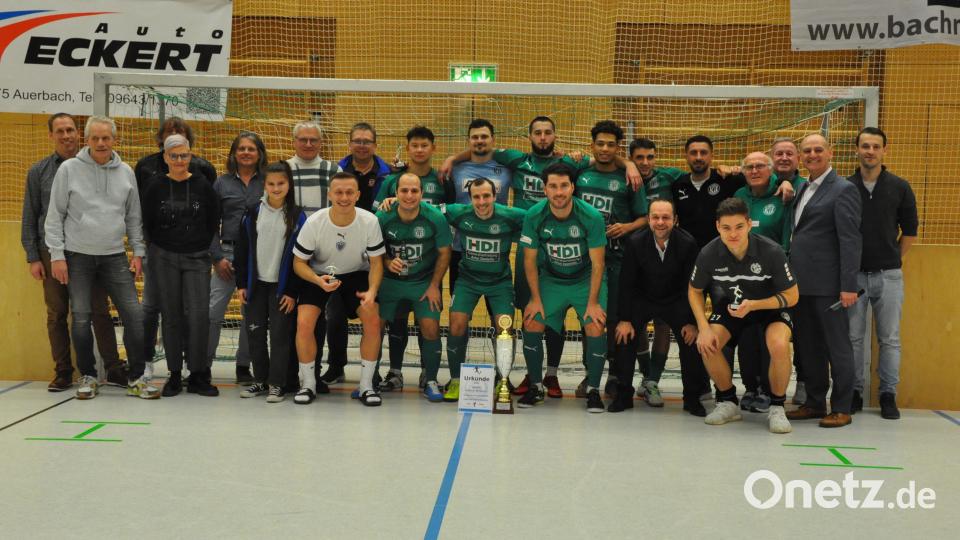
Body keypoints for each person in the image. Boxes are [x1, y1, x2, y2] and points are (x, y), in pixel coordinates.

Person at [43, 115, 158, 400]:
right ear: (87, 140)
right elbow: (54, 216)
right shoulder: (69, 170)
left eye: (106, 138)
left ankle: (137, 378)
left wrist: (138, 253)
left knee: (134, 315)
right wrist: (57, 256)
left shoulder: (126, 172)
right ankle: (89, 376)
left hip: (115, 256)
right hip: (77, 256)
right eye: (95, 138)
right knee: (81, 317)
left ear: (114, 140)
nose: (101, 143)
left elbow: (134, 217)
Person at [21, 112, 125, 392]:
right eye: (60, 131)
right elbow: (30, 217)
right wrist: (33, 257)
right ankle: (64, 371)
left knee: (99, 311)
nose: (66, 135)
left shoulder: (96, 166)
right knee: (57, 313)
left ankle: (114, 368)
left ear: (79, 134)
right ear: (51, 135)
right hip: (51, 251)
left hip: (88, 253)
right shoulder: (38, 172)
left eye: (70, 130)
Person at [688, 198, 799, 433]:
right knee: (708, 343)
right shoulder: (708, 253)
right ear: (718, 227)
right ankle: (728, 401)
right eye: (726, 228)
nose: (733, 234)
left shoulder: (771, 251)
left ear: (749, 224)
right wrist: (703, 327)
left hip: (770, 308)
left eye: (739, 227)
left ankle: (777, 407)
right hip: (734, 307)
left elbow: (792, 295)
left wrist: (756, 304)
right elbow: (694, 290)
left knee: (779, 345)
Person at [518, 162, 608, 413]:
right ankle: (536, 385)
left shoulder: (591, 216)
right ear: (544, 189)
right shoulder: (534, 215)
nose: (559, 192)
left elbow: (598, 263)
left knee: (595, 323)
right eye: (553, 186)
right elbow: (529, 260)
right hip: (552, 278)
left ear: (573, 187)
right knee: (532, 320)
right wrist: (535, 298)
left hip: (585, 279)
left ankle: (593, 390)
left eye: (564, 186)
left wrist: (592, 302)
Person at [786, 133, 862, 428]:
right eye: (807, 150)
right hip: (801, 286)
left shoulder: (843, 189)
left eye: (819, 149)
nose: (813, 154)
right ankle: (815, 402)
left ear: (830, 153)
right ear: (801, 157)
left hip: (831, 286)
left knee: (838, 347)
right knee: (809, 347)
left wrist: (848, 285)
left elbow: (850, 240)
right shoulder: (803, 187)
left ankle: (842, 407)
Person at [291, 172, 386, 406]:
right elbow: (298, 263)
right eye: (339, 192)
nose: (344, 197)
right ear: (330, 194)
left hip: (355, 274)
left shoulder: (369, 221)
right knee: (304, 323)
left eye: (349, 192)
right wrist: (317, 280)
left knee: (373, 319)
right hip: (320, 274)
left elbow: (376, 263)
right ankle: (308, 384)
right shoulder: (315, 222)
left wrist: (372, 290)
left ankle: (366, 386)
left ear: (358, 195)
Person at [609, 199, 709, 416]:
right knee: (624, 336)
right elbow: (627, 283)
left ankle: (692, 398)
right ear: (649, 219)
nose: (660, 222)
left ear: (675, 220)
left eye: (666, 217)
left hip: (676, 299)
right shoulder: (635, 242)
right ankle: (623, 394)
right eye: (655, 217)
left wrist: (693, 322)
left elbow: (694, 287)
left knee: (691, 340)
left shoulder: (688, 243)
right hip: (642, 298)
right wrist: (624, 319)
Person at [134, 117, 218, 376]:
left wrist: (200, 247)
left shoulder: (203, 178)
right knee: (160, 311)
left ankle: (197, 370)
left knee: (196, 314)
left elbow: (213, 219)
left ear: (190, 153)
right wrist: (151, 248)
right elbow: (144, 218)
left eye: (184, 155)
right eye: (174, 155)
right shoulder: (151, 178)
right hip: (161, 255)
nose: (179, 160)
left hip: (195, 256)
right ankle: (161, 367)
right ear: (165, 153)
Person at [573, 120, 649, 398]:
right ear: (592, 144)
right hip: (584, 260)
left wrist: (626, 227)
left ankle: (616, 375)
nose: (605, 149)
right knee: (590, 319)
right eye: (600, 143)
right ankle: (589, 374)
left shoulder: (630, 177)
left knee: (616, 319)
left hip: (617, 258)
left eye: (611, 144)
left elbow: (645, 217)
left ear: (618, 147)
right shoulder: (580, 172)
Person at [846, 127, 918, 420]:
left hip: (889, 276)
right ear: (857, 150)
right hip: (854, 278)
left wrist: (891, 260)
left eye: (876, 146)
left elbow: (910, 231)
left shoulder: (900, 187)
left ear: (884, 151)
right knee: (853, 338)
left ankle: (888, 394)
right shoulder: (845, 187)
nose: (870, 151)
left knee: (890, 338)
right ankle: (853, 392)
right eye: (865, 146)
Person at [374, 126, 453, 381]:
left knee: (428, 325)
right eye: (414, 145)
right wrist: (386, 260)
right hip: (392, 277)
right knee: (391, 323)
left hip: (424, 273)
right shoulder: (389, 186)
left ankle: (428, 377)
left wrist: (435, 284)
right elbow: (372, 236)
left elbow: (450, 214)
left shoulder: (442, 180)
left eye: (415, 191)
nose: (409, 195)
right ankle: (388, 374)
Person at [442, 178, 526, 402]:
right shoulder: (458, 212)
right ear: (470, 199)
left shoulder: (512, 215)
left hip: (500, 282)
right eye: (476, 197)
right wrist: (392, 201)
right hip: (467, 280)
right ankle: (456, 381)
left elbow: (540, 216)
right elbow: (425, 208)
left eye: (486, 196)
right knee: (457, 322)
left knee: (504, 327)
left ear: (495, 195)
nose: (481, 202)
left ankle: (503, 379)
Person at [733, 151, 803, 412]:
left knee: (769, 336)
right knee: (747, 335)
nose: (754, 171)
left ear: (771, 169)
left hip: (772, 276)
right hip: (743, 275)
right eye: (749, 166)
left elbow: (787, 235)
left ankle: (768, 390)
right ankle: (750, 387)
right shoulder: (740, 196)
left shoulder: (783, 193)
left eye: (760, 166)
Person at [235, 161, 307, 403]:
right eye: (271, 184)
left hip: (281, 288)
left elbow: (302, 257)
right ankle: (260, 380)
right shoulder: (253, 212)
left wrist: (292, 291)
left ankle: (278, 383)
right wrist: (242, 284)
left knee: (280, 336)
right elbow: (241, 249)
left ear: (289, 185)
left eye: (281, 184)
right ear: (264, 185)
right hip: (256, 286)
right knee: (254, 334)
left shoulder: (298, 216)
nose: (276, 188)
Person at [626, 137, 685, 406]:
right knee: (635, 320)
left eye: (650, 157)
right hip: (635, 255)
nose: (646, 163)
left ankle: (652, 380)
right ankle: (644, 375)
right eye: (639, 158)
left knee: (663, 322)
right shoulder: (625, 173)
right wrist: (625, 163)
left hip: (667, 254)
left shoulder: (669, 176)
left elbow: (701, 172)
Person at [286, 121, 343, 392]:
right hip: (291, 255)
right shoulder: (284, 169)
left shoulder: (333, 170)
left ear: (321, 143)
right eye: (303, 139)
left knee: (319, 317)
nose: (308, 144)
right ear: (294, 140)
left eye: (313, 140)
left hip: (324, 256)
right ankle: (288, 374)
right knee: (291, 318)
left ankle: (315, 374)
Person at [208, 131, 267, 384]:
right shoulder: (221, 183)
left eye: (251, 149)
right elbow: (210, 223)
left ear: (259, 154)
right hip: (227, 255)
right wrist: (217, 258)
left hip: (257, 257)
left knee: (251, 315)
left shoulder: (268, 181)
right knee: (212, 312)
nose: (245, 152)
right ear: (234, 153)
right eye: (241, 148)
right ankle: (202, 365)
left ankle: (244, 365)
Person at [768, 136, 809, 405]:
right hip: (768, 271)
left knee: (804, 329)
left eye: (789, 154)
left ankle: (804, 381)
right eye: (779, 153)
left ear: (797, 159)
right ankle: (765, 386)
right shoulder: (760, 180)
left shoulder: (807, 186)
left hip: (801, 268)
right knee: (771, 331)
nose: (784, 158)